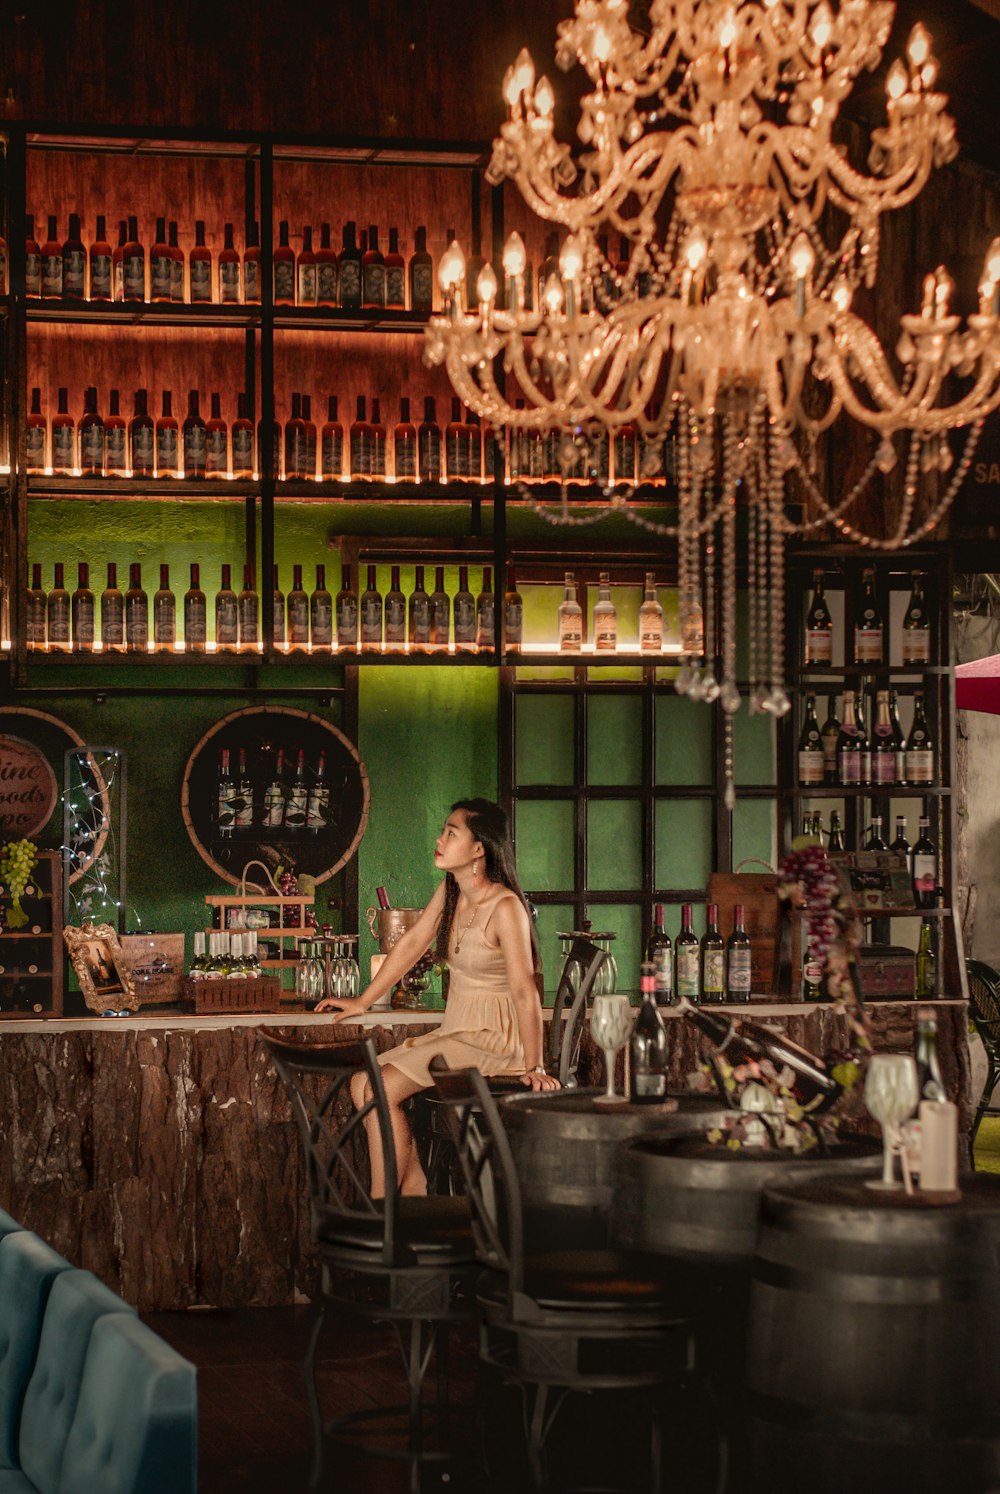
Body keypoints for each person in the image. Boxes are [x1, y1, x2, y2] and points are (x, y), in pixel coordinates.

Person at [316, 797, 559, 1195]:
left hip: (494, 1039)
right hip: (460, 1031)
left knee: (378, 1088)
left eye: (451, 832)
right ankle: (413, 1184)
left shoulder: (506, 907)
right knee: (362, 1082)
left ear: (479, 848)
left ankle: (384, 1206)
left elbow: (523, 988)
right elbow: (413, 942)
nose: (440, 838)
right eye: (443, 830)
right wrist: (363, 1000)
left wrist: (536, 1063)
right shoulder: (452, 889)